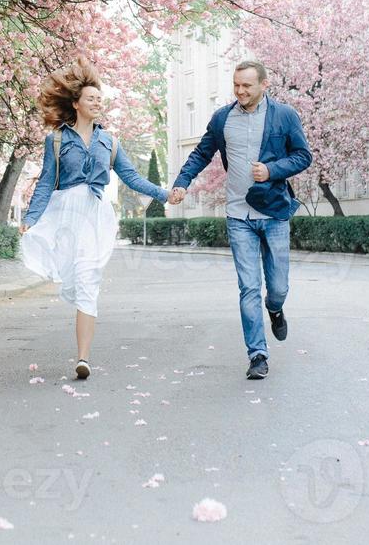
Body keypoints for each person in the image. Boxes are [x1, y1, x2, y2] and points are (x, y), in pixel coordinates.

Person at [19, 58, 169, 381]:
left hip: (95, 215)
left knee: (88, 282)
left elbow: (132, 178)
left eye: (100, 99)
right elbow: (46, 181)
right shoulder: (56, 140)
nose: (97, 103)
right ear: (76, 104)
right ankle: (81, 350)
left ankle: (83, 358)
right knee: (74, 278)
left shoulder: (109, 142)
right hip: (65, 216)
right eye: (91, 98)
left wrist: (164, 194)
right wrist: (31, 218)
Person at [169, 60, 311, 380]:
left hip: (273, 212)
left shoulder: (284, 116)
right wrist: (182, 182)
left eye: (247, 85)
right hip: (238, 215)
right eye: (236, 85)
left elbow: (303, 155)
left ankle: (274, 309)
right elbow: (201, 154)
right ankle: (257, 354)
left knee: (277, 287)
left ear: (264, 84)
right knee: (248, 287)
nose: (240, 91)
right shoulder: (223, 119)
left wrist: (272, 170)